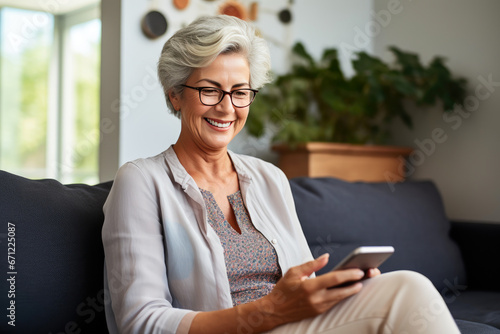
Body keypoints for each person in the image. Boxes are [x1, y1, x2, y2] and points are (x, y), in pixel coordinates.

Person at [102, 15, 460, 334]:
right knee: (407, 290)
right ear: (176, 95)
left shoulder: (269, 177)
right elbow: (141, 321)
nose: (227, 107)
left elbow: (304, 283)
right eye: (210, 90)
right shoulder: (141, 181)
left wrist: (337, 289)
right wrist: (267, 312)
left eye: (240, 92)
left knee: (400, 290)